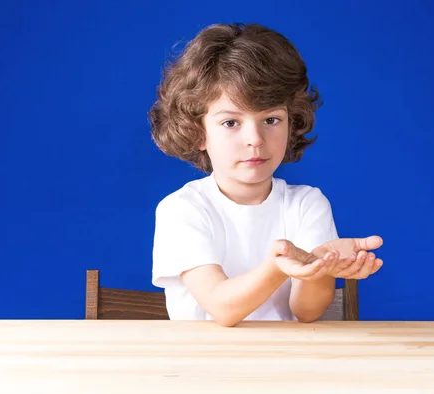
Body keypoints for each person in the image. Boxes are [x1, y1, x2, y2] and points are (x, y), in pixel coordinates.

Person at [148, 22, 383, 327]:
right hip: (202, 367)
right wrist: (278, 266)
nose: (255, 139)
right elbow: (222, 307)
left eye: (271, 119)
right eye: (231, 123)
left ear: (291, 121)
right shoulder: (182, 209)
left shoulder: (307, 204)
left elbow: (307, 311)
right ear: (198, 133)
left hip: (285, 365)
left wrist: (318, 267)